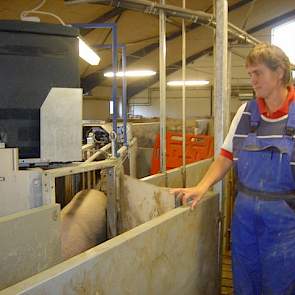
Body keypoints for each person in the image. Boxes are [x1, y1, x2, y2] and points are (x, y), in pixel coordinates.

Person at [170, 43, 295, 294]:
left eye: (257, 73)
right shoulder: (246, 112)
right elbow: (226, 156)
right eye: (250, 74)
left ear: (279, 72)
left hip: (285, 219)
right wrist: (202, 187)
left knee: (280, 284)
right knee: (244, 280)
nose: (252, 80)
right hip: (244, 214)